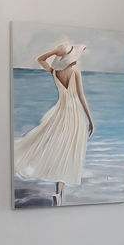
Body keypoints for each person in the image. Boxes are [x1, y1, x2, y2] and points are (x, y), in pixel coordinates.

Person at [14, 38, 94, 203]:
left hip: (59, 113)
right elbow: (81, 97)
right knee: (67, 151)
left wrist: (54, 52)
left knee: (60, 149)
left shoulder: (55, 73)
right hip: (75, 116)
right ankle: (58, 193)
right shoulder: (75, 72)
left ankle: (59, 194)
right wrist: (90, 119)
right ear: (73, 59)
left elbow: (40, 59)